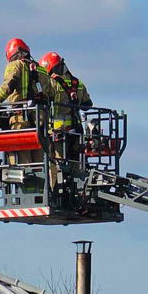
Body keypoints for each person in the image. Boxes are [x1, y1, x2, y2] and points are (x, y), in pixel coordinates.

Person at [0, 38, 50, 169]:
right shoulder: (42, 70)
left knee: (21, 156)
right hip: (40, 118)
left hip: (20, 117)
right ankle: (40, 183)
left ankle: (27, 185)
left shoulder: (15, 65)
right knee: (39, 157)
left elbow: (8, 86)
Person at [39, 51, 93, 192]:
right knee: (77, 163)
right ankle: (81, 192)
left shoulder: (51, 83)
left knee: (57, 164)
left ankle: (56, 192)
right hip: (76, 132)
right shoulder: (78, 83)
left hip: (58, 133)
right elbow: (87, 105)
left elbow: (40, 97)